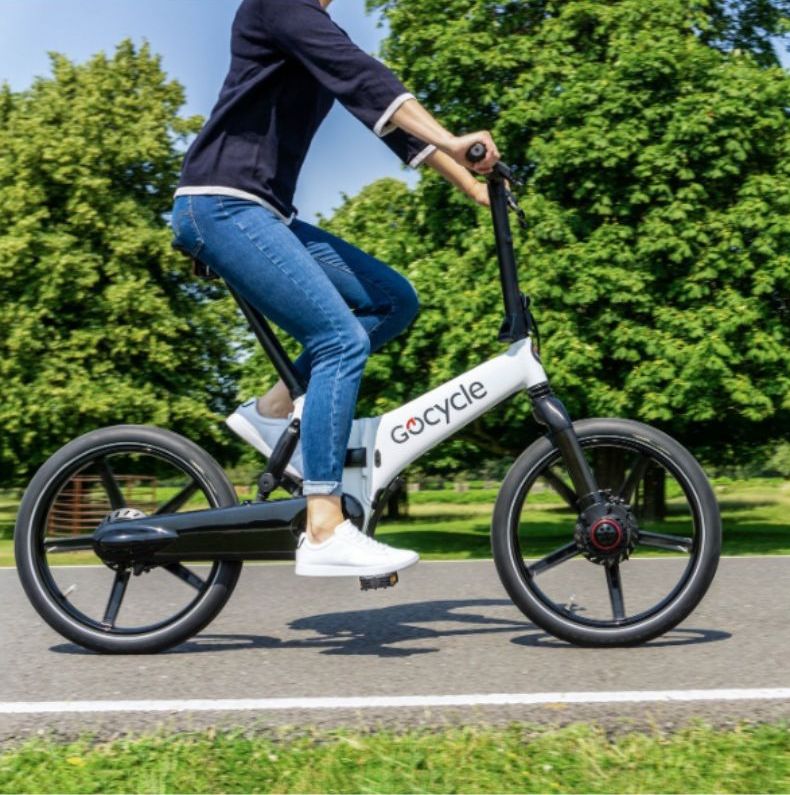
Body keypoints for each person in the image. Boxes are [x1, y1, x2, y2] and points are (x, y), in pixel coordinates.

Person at [170, 0, 500, 579]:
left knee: (392, 301)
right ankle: (324, 525)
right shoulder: (277, 5)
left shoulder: (311, 27)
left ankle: (273, 411)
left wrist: (471, 186)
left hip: (262, 213)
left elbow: (381, 108)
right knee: (341, 341)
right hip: (220, 205)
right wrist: (453, 140)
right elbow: (366, 76)